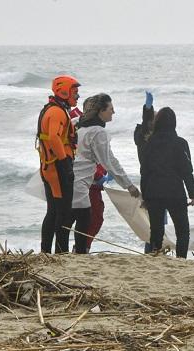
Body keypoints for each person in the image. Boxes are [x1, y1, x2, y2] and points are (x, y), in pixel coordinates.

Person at [70, 93, 140, 254]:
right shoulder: (98, 132)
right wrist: (128, 185)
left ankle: (69, 252)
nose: (113, 112)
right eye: (110, 109)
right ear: (101, 111)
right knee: (87, 219)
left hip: (72, 178)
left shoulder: (79, 125)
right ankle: (80, 252)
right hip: (82, 182)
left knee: (70, 219)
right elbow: (109, 161)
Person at [141, 107, 194, 258]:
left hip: (154, 192)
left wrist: (145, 196)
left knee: (156, 230)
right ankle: (181, 259)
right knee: (183, 231)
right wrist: (193, 194)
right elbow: (186, 170)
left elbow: (144, 171)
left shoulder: (149, 143)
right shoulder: (180, 143)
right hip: (174, 192)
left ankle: (156, 256)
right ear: (174, 123)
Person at [37, 75, 80, 254]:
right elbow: (54, 137)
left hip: (50, 167)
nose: (77, 96)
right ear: (64, 91)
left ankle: (46, 251)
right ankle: (60, 252)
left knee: (54, 211)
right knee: (63, 212)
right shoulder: (56, 112)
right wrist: (64, 163)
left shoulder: (54, 109)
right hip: (57, 168)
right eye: (75, 92)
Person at [134, 91, 156, 253]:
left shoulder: (149, 139)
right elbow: (147, 121)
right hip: (151, 184)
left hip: (150, 183)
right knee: (156, 223)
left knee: (155, 222)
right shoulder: (145, 139)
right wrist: (148, 108)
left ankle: (152, 249)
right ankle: (151, 250)